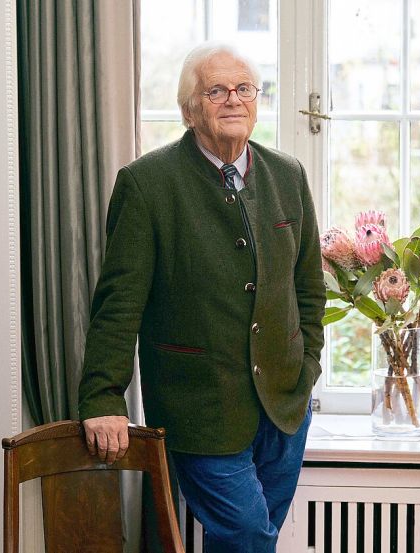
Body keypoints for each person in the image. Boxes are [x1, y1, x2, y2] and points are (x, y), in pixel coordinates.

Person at [77, 42, 324, 553]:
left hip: (284, 404)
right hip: (198, 406)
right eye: (216, 90)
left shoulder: (288, 175)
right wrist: (103, 396)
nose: (233, 100)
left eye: (244, 89)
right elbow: (119, 303)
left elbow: (308, 287)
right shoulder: (146, 184)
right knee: (247, 534)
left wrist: (309, 366)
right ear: (191, 108)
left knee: (249, 541)